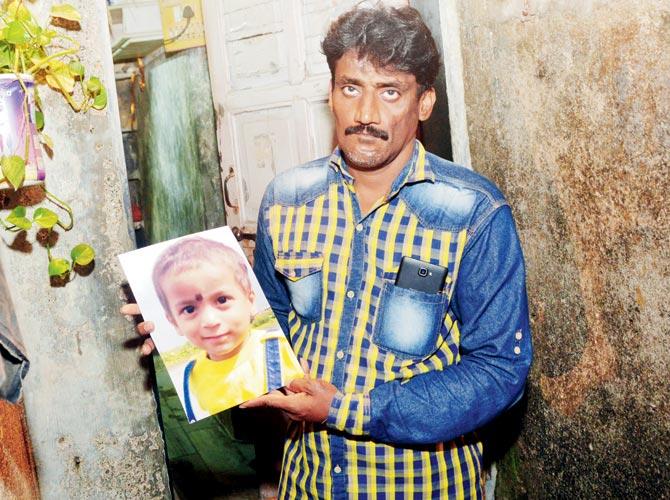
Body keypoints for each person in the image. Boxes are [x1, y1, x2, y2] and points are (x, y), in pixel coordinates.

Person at [123, 5, 532, 498]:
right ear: (332, 93)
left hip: (419, 485)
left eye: (390, 92)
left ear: (424, 103)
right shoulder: (287, 198)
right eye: (351, 88)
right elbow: (265, 339)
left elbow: (499, 371)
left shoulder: (475, 211)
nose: (366, 114)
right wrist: (189, 338)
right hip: (307, 480)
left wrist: (344, 410)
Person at [152, 236, 303, 422]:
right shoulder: (189, 378)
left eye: (222, 300)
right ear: (174, 322)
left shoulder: (280, 352)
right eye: (189, 309)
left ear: (250, 300)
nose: (210, 321)